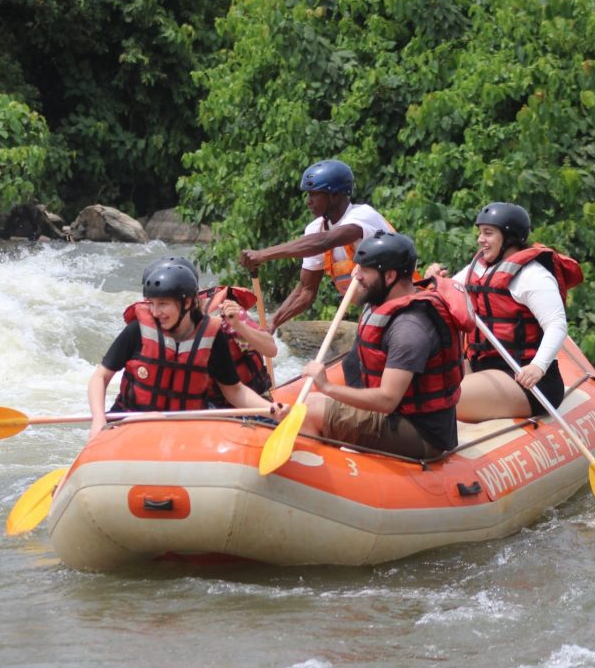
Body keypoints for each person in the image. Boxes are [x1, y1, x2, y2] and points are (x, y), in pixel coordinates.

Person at [299, 231, 470, 458]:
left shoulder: (409, 328)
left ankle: (323, 482)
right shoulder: (385, 297)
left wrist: (328, 387)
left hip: (420, 433)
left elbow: (388, 400)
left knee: (308, 411)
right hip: (397, 416)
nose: (356, 277)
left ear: (389, 276)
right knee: (307, 400)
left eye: (365, 271)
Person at [425, 202, 582, 422]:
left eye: (488, 233)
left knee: (437, 398)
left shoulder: (533, 276)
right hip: (480, 367)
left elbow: (556, 325)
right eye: (480, 233)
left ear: (510, 239)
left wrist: (538, 367)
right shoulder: (479, 268)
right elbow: (447, 296)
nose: (480, 239)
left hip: (525, 378)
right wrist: (436, 280)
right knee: (419, 383)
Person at [88, 260, 277, 440]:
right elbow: (100, 377)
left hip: (184, 429)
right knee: (156, 419)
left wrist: (274, 410)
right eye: (151, 304)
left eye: (163, 304)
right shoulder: (137, 331)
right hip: (129, 423)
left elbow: (234, 391)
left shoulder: (212, 335)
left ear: (187, 303)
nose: (155, 312)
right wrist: (98, 418)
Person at [239, 159, 393, 332]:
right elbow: (306, 290)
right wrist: (272, 323)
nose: (308, 201)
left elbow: (324, 242)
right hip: (373, 311)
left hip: (401, 304)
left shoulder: (362, 215)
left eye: (314, 194)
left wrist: (264, 254)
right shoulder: (315, 229)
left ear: (334, 194)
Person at [122, 257, 277, 407]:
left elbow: (270, 349)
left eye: (165, 300)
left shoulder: (223, 314)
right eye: (153, 301)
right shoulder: (155, 324)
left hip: (243, 402)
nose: (157, 310)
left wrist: (238, 325)